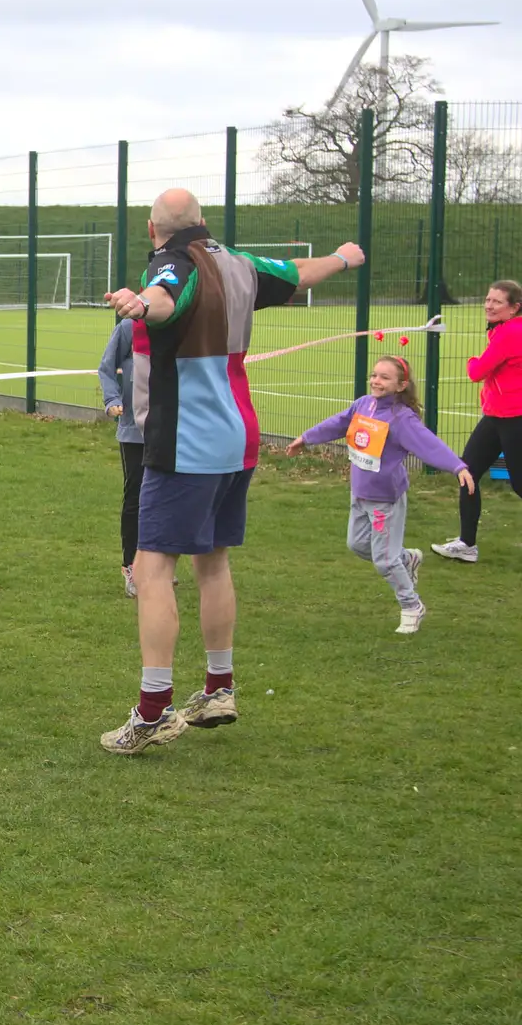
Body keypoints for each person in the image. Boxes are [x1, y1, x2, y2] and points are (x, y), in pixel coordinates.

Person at [99, 188, 364, 755]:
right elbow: (298, 271)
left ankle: (153, 711)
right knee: (213, 563)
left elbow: (165, 295)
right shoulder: (241, 263)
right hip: (237, 439)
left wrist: (142, 305)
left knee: (151, 572)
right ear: (203, 222)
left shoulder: (170, 262)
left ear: (153, 230)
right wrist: (345, 257)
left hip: (183, 444)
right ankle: (218, 687)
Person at [287, 357, 474, 633]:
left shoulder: (402, 418)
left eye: (385, 377)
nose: (376, 381)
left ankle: (412, 606)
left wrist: (457, 465)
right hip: (360, 494)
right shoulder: (364, 404)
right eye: (374, 375)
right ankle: (407, 559)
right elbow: (338, 423)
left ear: (401, 385)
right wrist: (307, 437)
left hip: (385, 500)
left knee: (384, 560)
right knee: (358, 545)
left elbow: (427, 444)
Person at [430, 279, 522, 563]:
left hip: (514, 417)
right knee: (467, 470)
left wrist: (472, 360)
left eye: (497, 302)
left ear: (514, 308)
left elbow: (477, 371)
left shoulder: (510, 332)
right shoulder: (502, 330)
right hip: (495, 415)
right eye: (487, 299)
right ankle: (467, 545)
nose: (489, 305)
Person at [98, 316, 144, 597]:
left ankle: (158, 563)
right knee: (136, 498)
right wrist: (112, 400)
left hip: (169, 430)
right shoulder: (129, 328)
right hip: (134, 432)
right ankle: (131, 567)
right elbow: (106, 369)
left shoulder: (177, 322)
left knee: (165, 497)